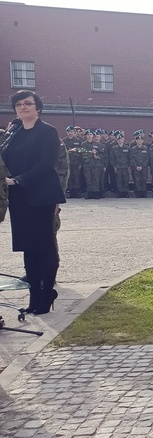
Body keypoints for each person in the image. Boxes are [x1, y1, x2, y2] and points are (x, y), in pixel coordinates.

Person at [0, 90, 66, 314]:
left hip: (42, 195)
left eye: (28, 103)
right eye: (19, 105)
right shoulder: (14, 132)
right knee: (28, 248)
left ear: (38, 108)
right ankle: (34, 297)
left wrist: (18, 180)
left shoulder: (47, 131)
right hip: (18, 197)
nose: (23, 107)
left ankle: (46, 295)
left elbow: (46, 164)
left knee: (44, 246)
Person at [109, 131, 131, 197]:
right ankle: (120, 192)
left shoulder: (127, 148)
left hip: (125, 166)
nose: (120, 141)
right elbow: (112, 158)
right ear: (117, 140)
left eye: (121, 139)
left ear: (123, 139)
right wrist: (114, 166)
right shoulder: (114, 148)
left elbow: (130, 158)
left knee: (125, 179)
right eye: (118, 139)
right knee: (119, 180)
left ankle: (125, 192)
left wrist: (129, 166)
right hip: (117, 167)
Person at [130, 131, 150, 198]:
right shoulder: (133, 149)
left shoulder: (145, 148)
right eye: (138, 140)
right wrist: (136, 166)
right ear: (136, 141)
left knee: (144, 179)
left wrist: (142, 166)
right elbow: (132, 158)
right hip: (136, 167)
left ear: (142, 141)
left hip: (144, 167)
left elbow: (147, 158)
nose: (139, 141)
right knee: (137, 180)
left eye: (141, 140)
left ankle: (143, 192)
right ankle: (138, 192)